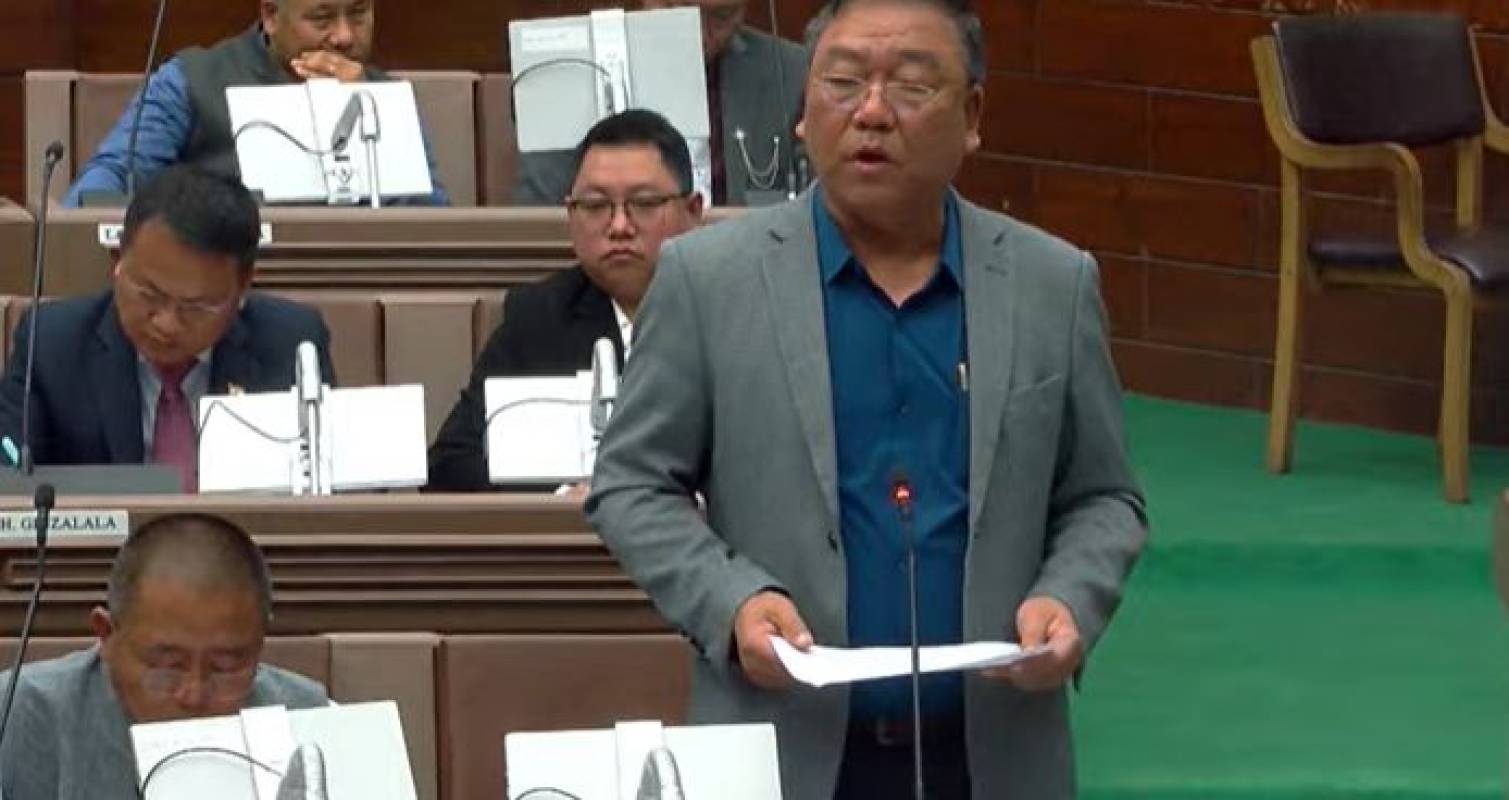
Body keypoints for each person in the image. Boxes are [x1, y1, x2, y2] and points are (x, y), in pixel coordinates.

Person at [586, 1, 1148, 798]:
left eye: (911, 86)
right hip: (784, 747)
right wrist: (731, 601)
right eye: (843, 82)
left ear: (971, 116)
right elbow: (631, 482)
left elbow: (1103, 496)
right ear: (802, 113)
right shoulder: (706, 280)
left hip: (991, 754)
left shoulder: (1052, 284)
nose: (872, 112)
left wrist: (1069, 598)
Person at [0, 166, 335, 492]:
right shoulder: (52, 344)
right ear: (117, 261)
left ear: (243, 287)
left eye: (197, 307)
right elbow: (9, 477)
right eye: (150, 295)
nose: (167, 324)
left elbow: (326, 484)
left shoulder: (292, 343)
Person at [428, 109, 704, 491]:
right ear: (570, 215)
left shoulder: (736, 315)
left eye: (643, 203)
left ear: (693, 212)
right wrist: (559, 496)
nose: (619, 226)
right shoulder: (539, 319)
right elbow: (450, 466)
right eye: (595, 206)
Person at [0, 513, 329, 800]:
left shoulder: (305, 719)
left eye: (225, 668)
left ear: (259, 646)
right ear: (106, 635)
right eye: (167, 667)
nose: (194, 694)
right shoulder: (18, 712)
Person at [63, 0, 449, 207]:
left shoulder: (386, 95)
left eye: (359, 13)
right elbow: (105, 187)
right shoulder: (190, 80)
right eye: (322, 18)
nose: (345, 36)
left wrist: (369, 107)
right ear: (270, 16)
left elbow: (432, 223)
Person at [512, 0, 807, 207]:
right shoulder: (562, 66)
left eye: (720, 17)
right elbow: (543, 213)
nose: (697, 34)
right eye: (679, 9)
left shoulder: (791, 71)